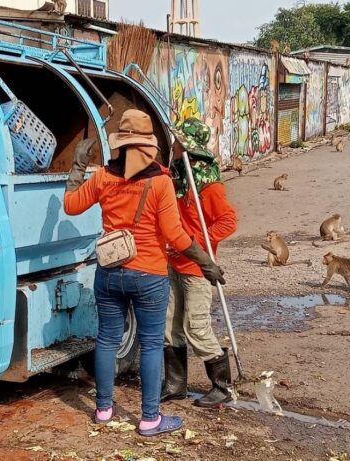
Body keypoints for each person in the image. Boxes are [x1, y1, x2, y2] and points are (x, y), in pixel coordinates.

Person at [64, 109, 225, 437]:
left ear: (121, 144)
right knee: (151, 344)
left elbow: (71, 205)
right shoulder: (160, 182)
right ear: (149, 146)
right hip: (149, 275)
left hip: (109, 272)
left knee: (107, 339)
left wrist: (78, 165)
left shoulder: (104, 177)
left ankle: (103, 409)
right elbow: (176, 236)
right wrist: (205, 262)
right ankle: (150, 419)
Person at [161, 118, 238, 408]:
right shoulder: (177, 177)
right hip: (174, 264)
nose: (172, 146)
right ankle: (175, 384)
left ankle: (222, 386)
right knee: (171, 325)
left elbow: (228, 221)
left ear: (188, 147)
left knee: (196, 326)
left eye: (177, 142)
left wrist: (198, 245)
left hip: (196, 267)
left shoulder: (208, 185)